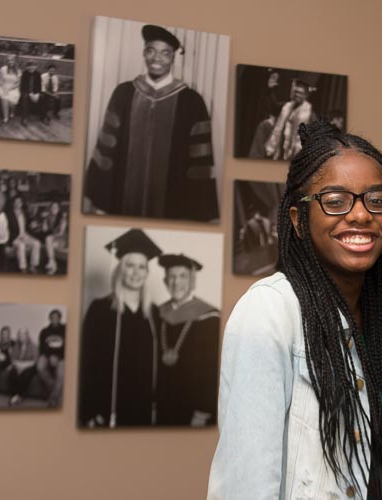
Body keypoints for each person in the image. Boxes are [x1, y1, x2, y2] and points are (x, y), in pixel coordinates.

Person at [207, 120, 382, 499]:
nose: (360, 215)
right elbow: (245, 485)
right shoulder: (271, 310)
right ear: (298, 220)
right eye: (335, 201)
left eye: (377, 199)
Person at [84, 24, 219, 222]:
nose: (157, 59)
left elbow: (200, 164)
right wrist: (101, 200)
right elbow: (106, 151)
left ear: (173, 57)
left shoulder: (192, 102)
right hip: (122, 201)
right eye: (151, 51)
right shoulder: (123, 93)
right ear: (144, 54)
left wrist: (198, 210)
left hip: (172, 205)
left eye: (165, 53)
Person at [78, 229, 162, 428]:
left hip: (143, 408)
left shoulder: (154, 314)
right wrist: (89, 409)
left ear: (147, 273)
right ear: (120, 269)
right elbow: (86, 362)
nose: (136, 273)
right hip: (108, 408)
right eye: (130, 265)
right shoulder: (100, 309)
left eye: (142, 267)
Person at [153, 253, 220, 426]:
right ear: (165, 281)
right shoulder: (157, 314)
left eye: (183, 276)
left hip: (193, 411)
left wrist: (203, 411)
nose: (176, 282)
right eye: (172, 276)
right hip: (160, 406)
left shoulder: (210, 318)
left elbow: (212, 370)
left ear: (192, 280)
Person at [265, 79, 316, 160]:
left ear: (306, 96)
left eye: (300, 93)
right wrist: (271, 90)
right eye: (296, 91)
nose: (297, 95)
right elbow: (273, 107)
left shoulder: (310, 114)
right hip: (281, 149)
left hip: (296, 153)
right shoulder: (286, 106)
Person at [247, 69, 282, 159]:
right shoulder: (263, 91)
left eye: (276, 78)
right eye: (273, 77)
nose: (275, 80)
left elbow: (275, 107)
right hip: (262, 122)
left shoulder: (274, 92)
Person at [36, 309, 65, 406]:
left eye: (56, 317)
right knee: (40, 366)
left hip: (62, 357)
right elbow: (42, 348)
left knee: (61, 374)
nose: (54, 319)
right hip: (47, 355)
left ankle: (52, 400)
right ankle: (54, 388)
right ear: (49, 319)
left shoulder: (66, 329)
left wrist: (58, 356)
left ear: (60, 318)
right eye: (52, 317)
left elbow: (69, 347)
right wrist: (50, 356)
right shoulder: (44, 331)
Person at [7, 195, 42, 273]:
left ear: (22, 203)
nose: (18, 203)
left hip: (25, 235)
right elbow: (6, 230)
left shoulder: (24, 212)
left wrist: (34, 224)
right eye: (16, 202)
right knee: (21, 245)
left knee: (37, 243)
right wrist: (8, 243)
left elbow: (29, 223)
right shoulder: (9, 215)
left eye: (19, 202)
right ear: (13, 203)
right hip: (15, 237)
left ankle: (33, 265)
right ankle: (23, 268)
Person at [8, 327, 38, 406]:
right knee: (12, 373)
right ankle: (14, 395)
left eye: (23, 335)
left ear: (27, 335)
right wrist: (18, 366)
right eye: (20, 335)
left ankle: (20, 395)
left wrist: (23, 366)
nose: (21, 337)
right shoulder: (16, 345)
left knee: (26, 375)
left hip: (29, 366)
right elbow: (12, 358)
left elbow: (35, 361)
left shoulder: (33, 346)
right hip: (18, 365)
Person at [0, 54, 21, 124]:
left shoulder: (18, 71)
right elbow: (0, 80)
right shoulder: (3, 69)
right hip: (4, 86)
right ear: (6, 61)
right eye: (8, 60)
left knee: (11, 103)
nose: (10, 62)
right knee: (4, 97)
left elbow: (18, 83)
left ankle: (12, 111)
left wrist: (10, 88)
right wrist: (3, 87)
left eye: (12, 60)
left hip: (14, 88)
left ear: (15, 61)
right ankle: (6, 118)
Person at [19, 60, 41, 125]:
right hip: (26, 91)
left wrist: (37, 93)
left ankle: (43, 115)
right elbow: (23, 86)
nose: (31, 67)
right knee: (25, 97)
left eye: (33, 66)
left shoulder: (38, 74)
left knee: (42, 96)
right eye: (30, 66)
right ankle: (24, 117)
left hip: (34, 92)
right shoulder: (24, 74)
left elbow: (39, 85)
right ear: (27, 67)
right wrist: (30, 93)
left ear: (36, 66)